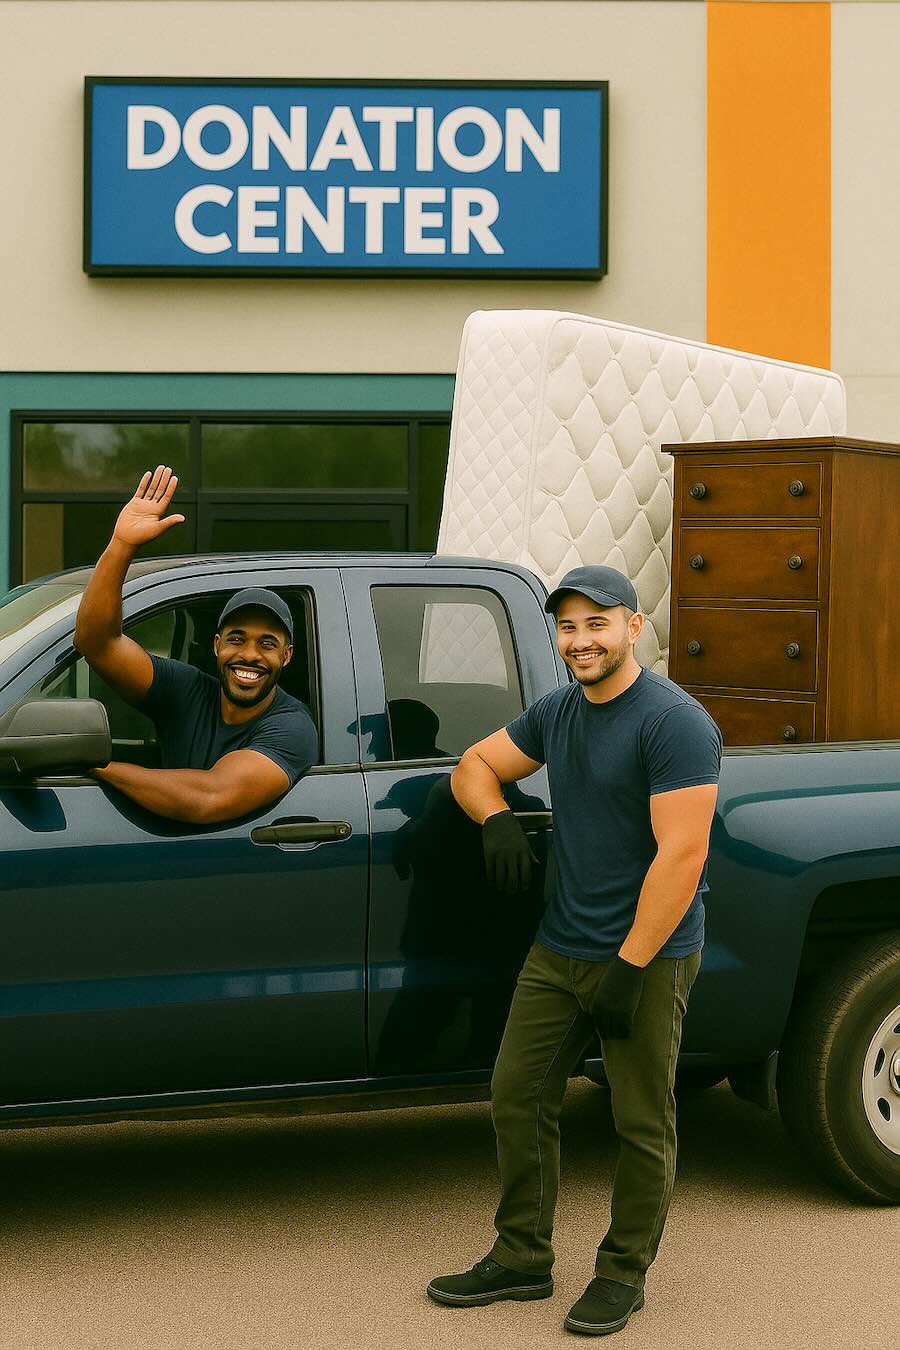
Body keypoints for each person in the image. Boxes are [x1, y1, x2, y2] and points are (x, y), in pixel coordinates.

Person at [427, 564, 722, 1336]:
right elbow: (475, 765)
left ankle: (623, 1272)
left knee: (639, 1120)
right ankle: (523, 1256)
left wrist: (629, 968)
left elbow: (682, 856)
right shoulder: (559, 711)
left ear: (633, 627)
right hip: (559, 948)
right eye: (568, 625)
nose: (580, 639)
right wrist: (493, 817)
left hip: (646, 956)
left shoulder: (673, 722)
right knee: (517, 1093)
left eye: (598, 622)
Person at [74, 465, 317, 824]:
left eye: (267, 643)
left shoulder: (292, 727)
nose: (249, 654)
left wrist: (99, 767)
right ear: (217, 645)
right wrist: (122, 545)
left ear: (287, 655)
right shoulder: (186, 689)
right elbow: (97, 643)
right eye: (237, 639)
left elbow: (209, 797)